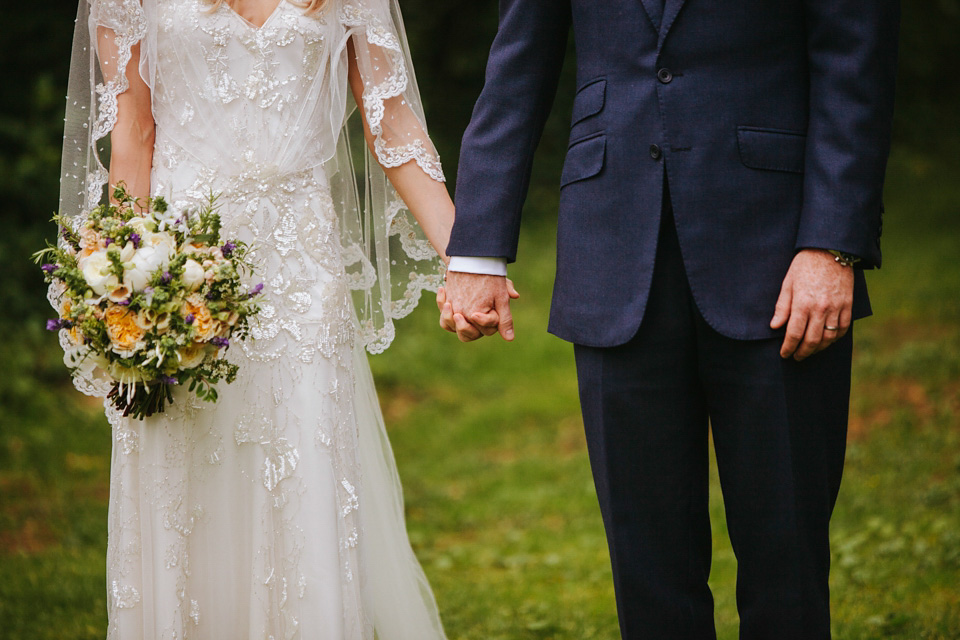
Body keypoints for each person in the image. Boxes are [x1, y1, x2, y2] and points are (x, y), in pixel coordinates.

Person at [440, 1, 899, 638]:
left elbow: (855, 61)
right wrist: (477, 251)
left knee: (788, 559)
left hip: (780, 257)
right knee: (648, 572)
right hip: (612, 254)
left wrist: (832, 243)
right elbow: (517, 62)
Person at [52, 0, 454, 637]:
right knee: (187, 477)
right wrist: (125, 289)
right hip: (182, 273)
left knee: (307, 474)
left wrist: (465, 257)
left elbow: (393, 124)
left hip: (301, 274)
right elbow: (133, 135)